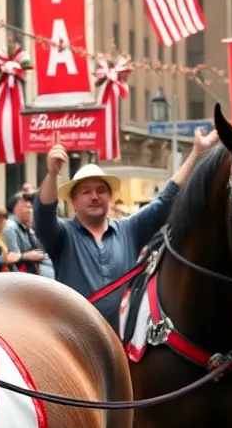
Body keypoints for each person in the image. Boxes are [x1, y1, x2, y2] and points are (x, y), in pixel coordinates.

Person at [36, 130, 217, 328]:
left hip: (126, 341)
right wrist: (52, 173)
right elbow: (44, 213)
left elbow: (166, 200)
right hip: (78, 341)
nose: (95, 196)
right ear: (73, 203)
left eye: (101, 191)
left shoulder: (129, 229)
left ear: (110, 197)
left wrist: (195, 154)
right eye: (86, 192)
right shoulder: (62, 235)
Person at [2, 192, 51, 277]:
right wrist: (26, 256)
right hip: (20, 280)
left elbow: (41, 248)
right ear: (16, 208)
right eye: (27, 207)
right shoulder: (10, 228)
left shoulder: (25, 226)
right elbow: (12, 258)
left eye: (31, 207)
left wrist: (32, 226)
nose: (30, 211)